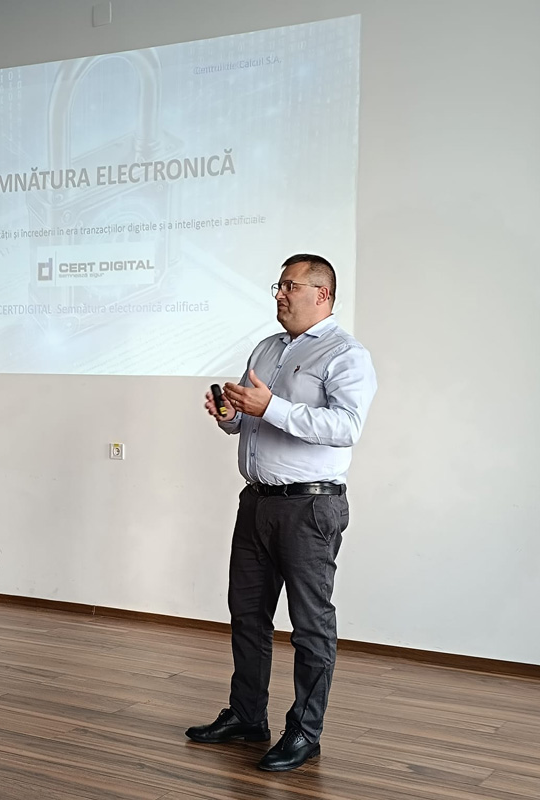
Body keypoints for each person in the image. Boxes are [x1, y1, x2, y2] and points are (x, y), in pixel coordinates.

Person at [185, 254, 377, 772]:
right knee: (247, 616)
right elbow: (252, 420)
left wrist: (269, 406)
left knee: (310, 626)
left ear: (322, 294)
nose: (280, 295)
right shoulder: (267, 347)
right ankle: (248, 716)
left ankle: (305, 732)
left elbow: (346, 427)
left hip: (310, 508)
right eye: (279, 286)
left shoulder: (346, 354)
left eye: (290, 286)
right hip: (257, 502)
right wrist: (231, 415)